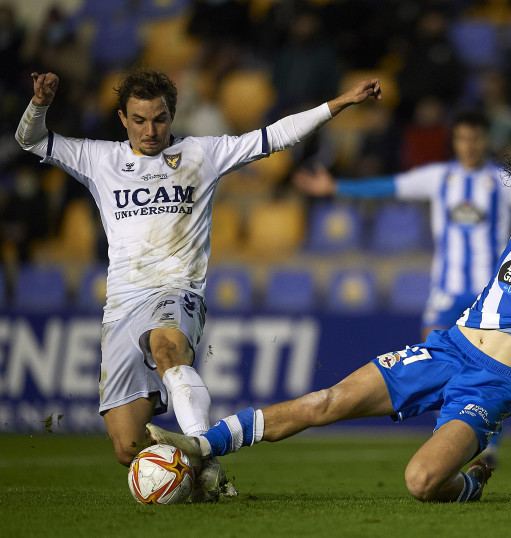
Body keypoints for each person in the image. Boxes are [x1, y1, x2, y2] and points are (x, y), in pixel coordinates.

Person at [148, 138, 511, 503]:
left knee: (421, 483)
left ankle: (469, 485)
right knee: (326, 401)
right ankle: (199, 444)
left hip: (490, 383)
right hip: (449, 348)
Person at [16, 69, 382, 501]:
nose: (150, 130)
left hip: (177, 291)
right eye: (139, 120)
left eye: (159, 119)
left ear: (172, 115)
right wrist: (38, 104)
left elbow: (277, 136)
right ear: (122, 118)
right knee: (127, 448)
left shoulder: (201, 154)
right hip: (121, 307)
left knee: (166, 348)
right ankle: (198, 476)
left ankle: (203, 451)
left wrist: (340, 102)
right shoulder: (99, 159)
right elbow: (31, 139)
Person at [294, 110, 511, 343]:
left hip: (491, 289)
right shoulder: (439, 176)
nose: (469, 146)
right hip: (447, 288)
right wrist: (336, 187)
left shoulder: (503, 180)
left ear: (486, 140)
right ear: (454, 141)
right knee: (431, 355)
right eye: (462, 138)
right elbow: (387, 186)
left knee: (490, 363)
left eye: (475, 138)